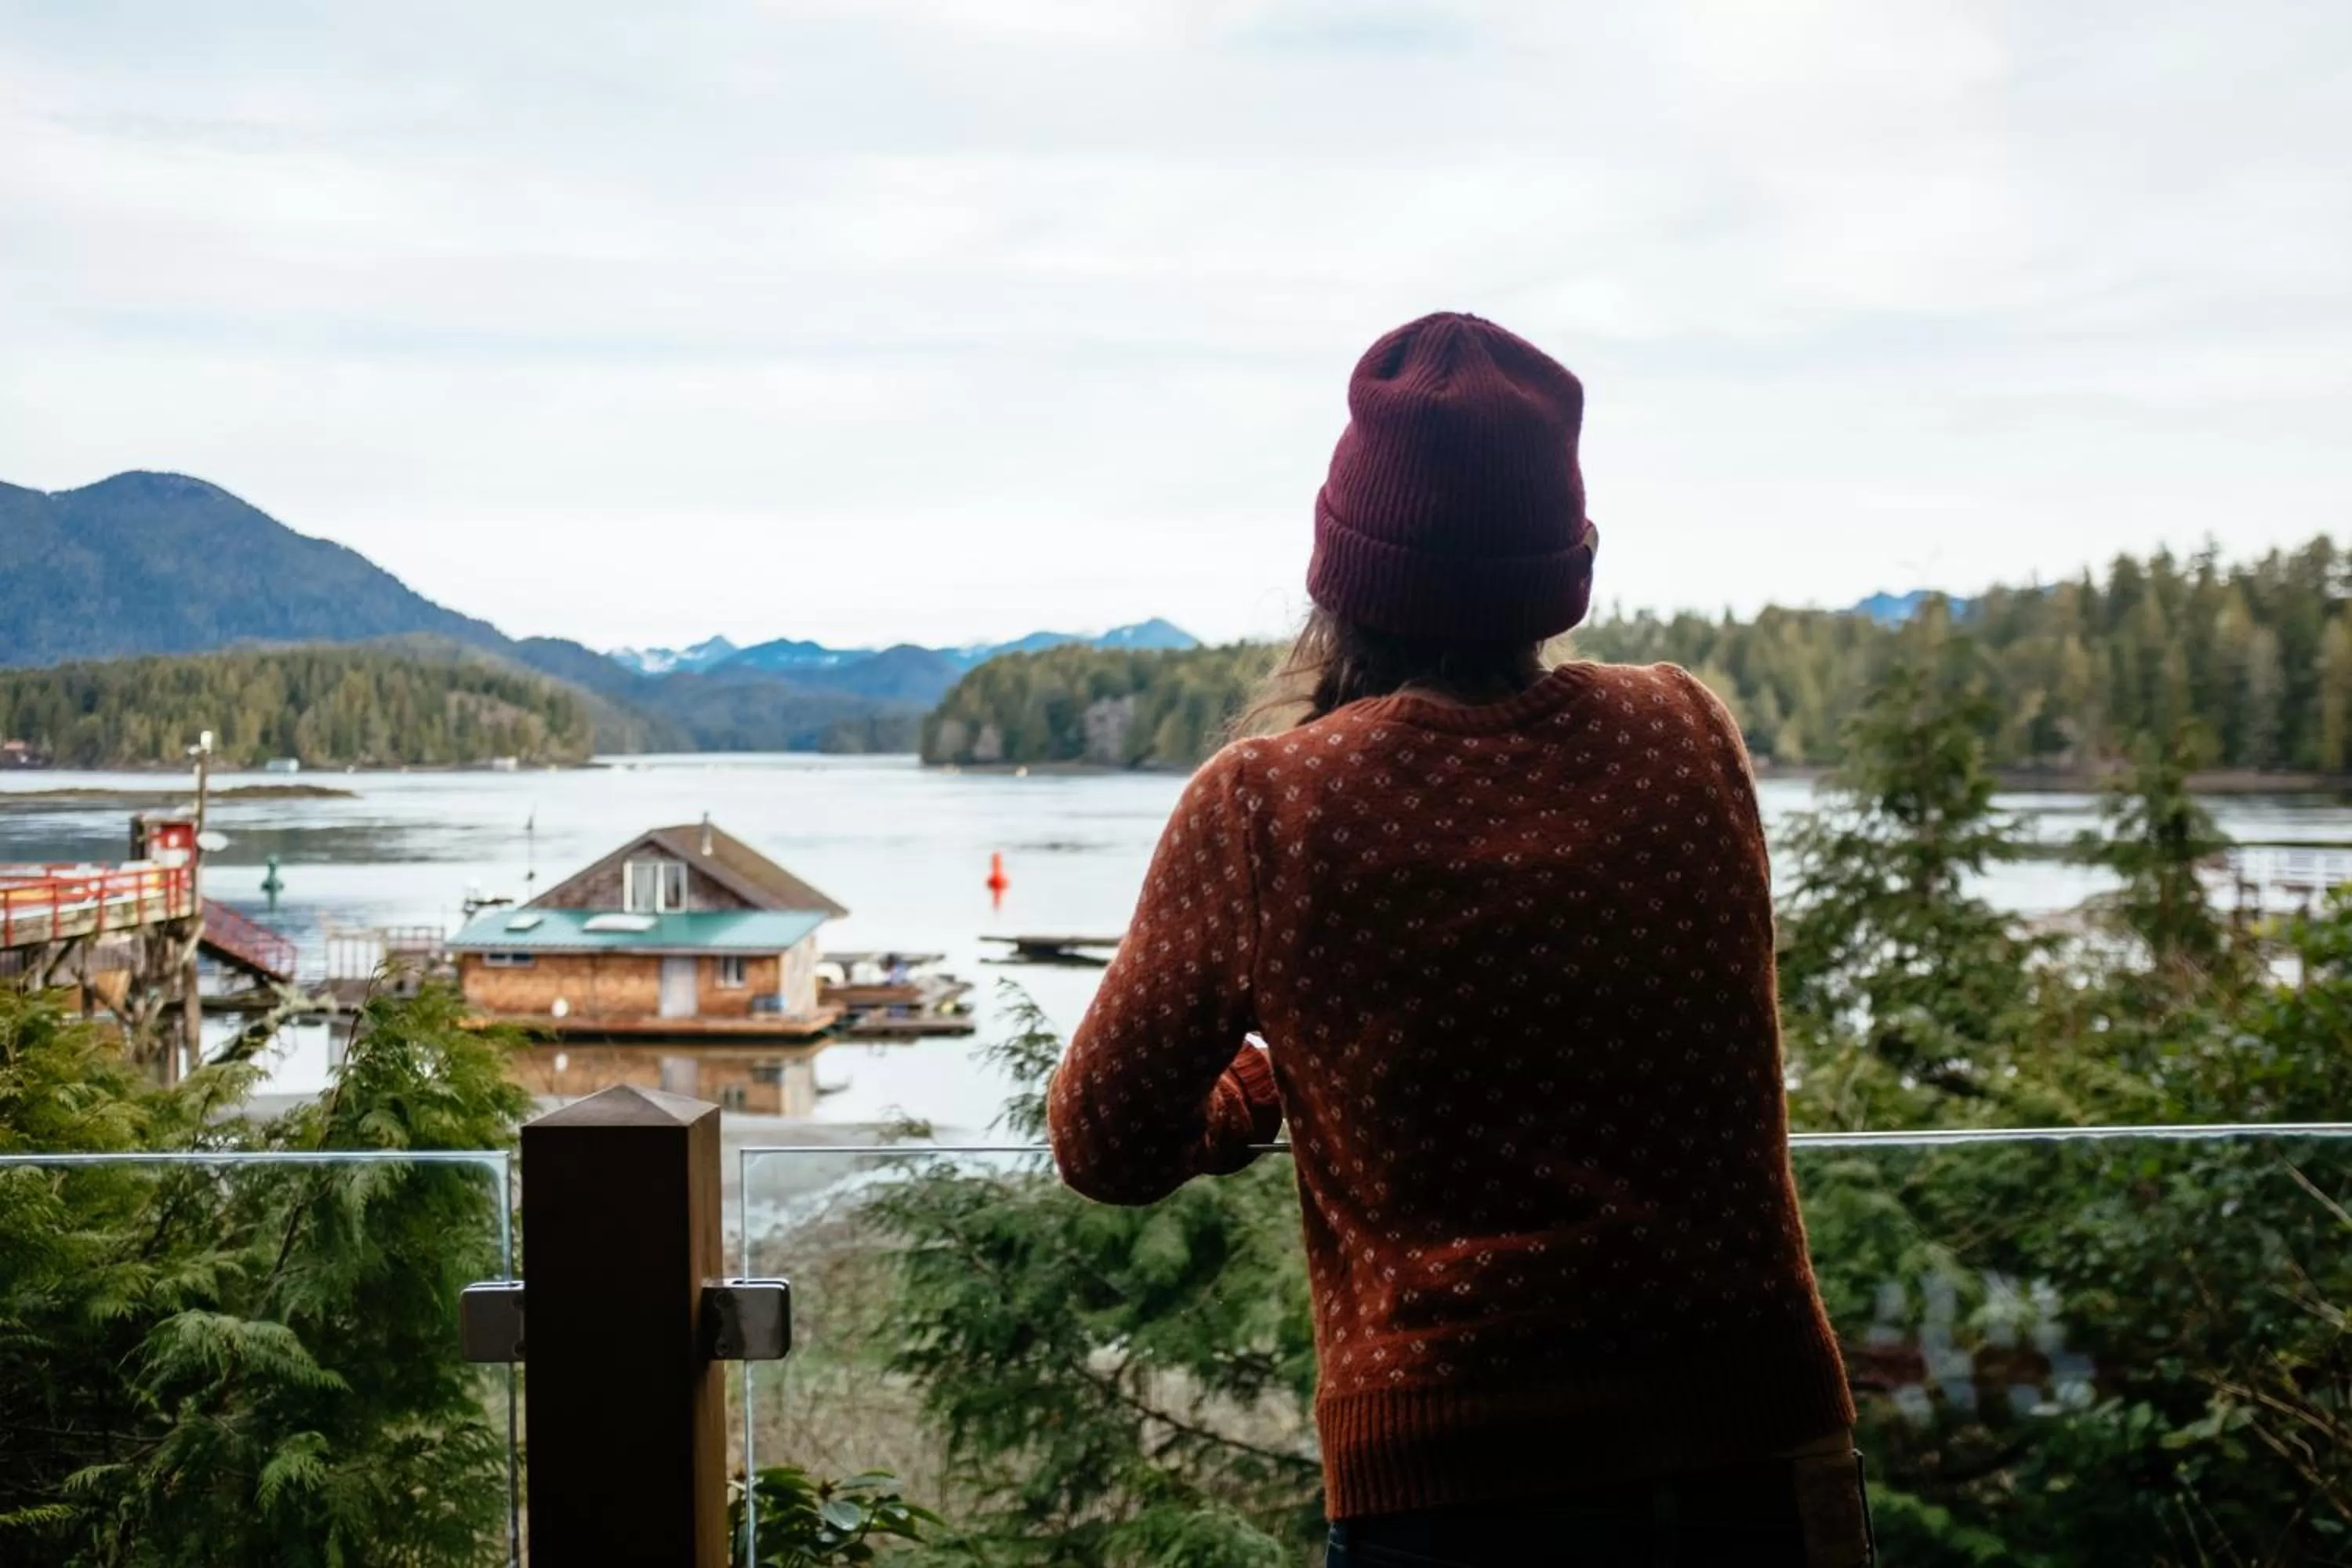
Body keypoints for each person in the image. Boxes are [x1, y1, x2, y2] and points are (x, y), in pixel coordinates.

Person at [1047, 313, 1870, 1566]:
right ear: (1566, 563)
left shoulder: (1270, 803)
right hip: (1759, 1446)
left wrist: (1272, 1081)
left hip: (1453, 1485)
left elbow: (1104, 1142)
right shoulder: (1684, 731)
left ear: (1341, 569)